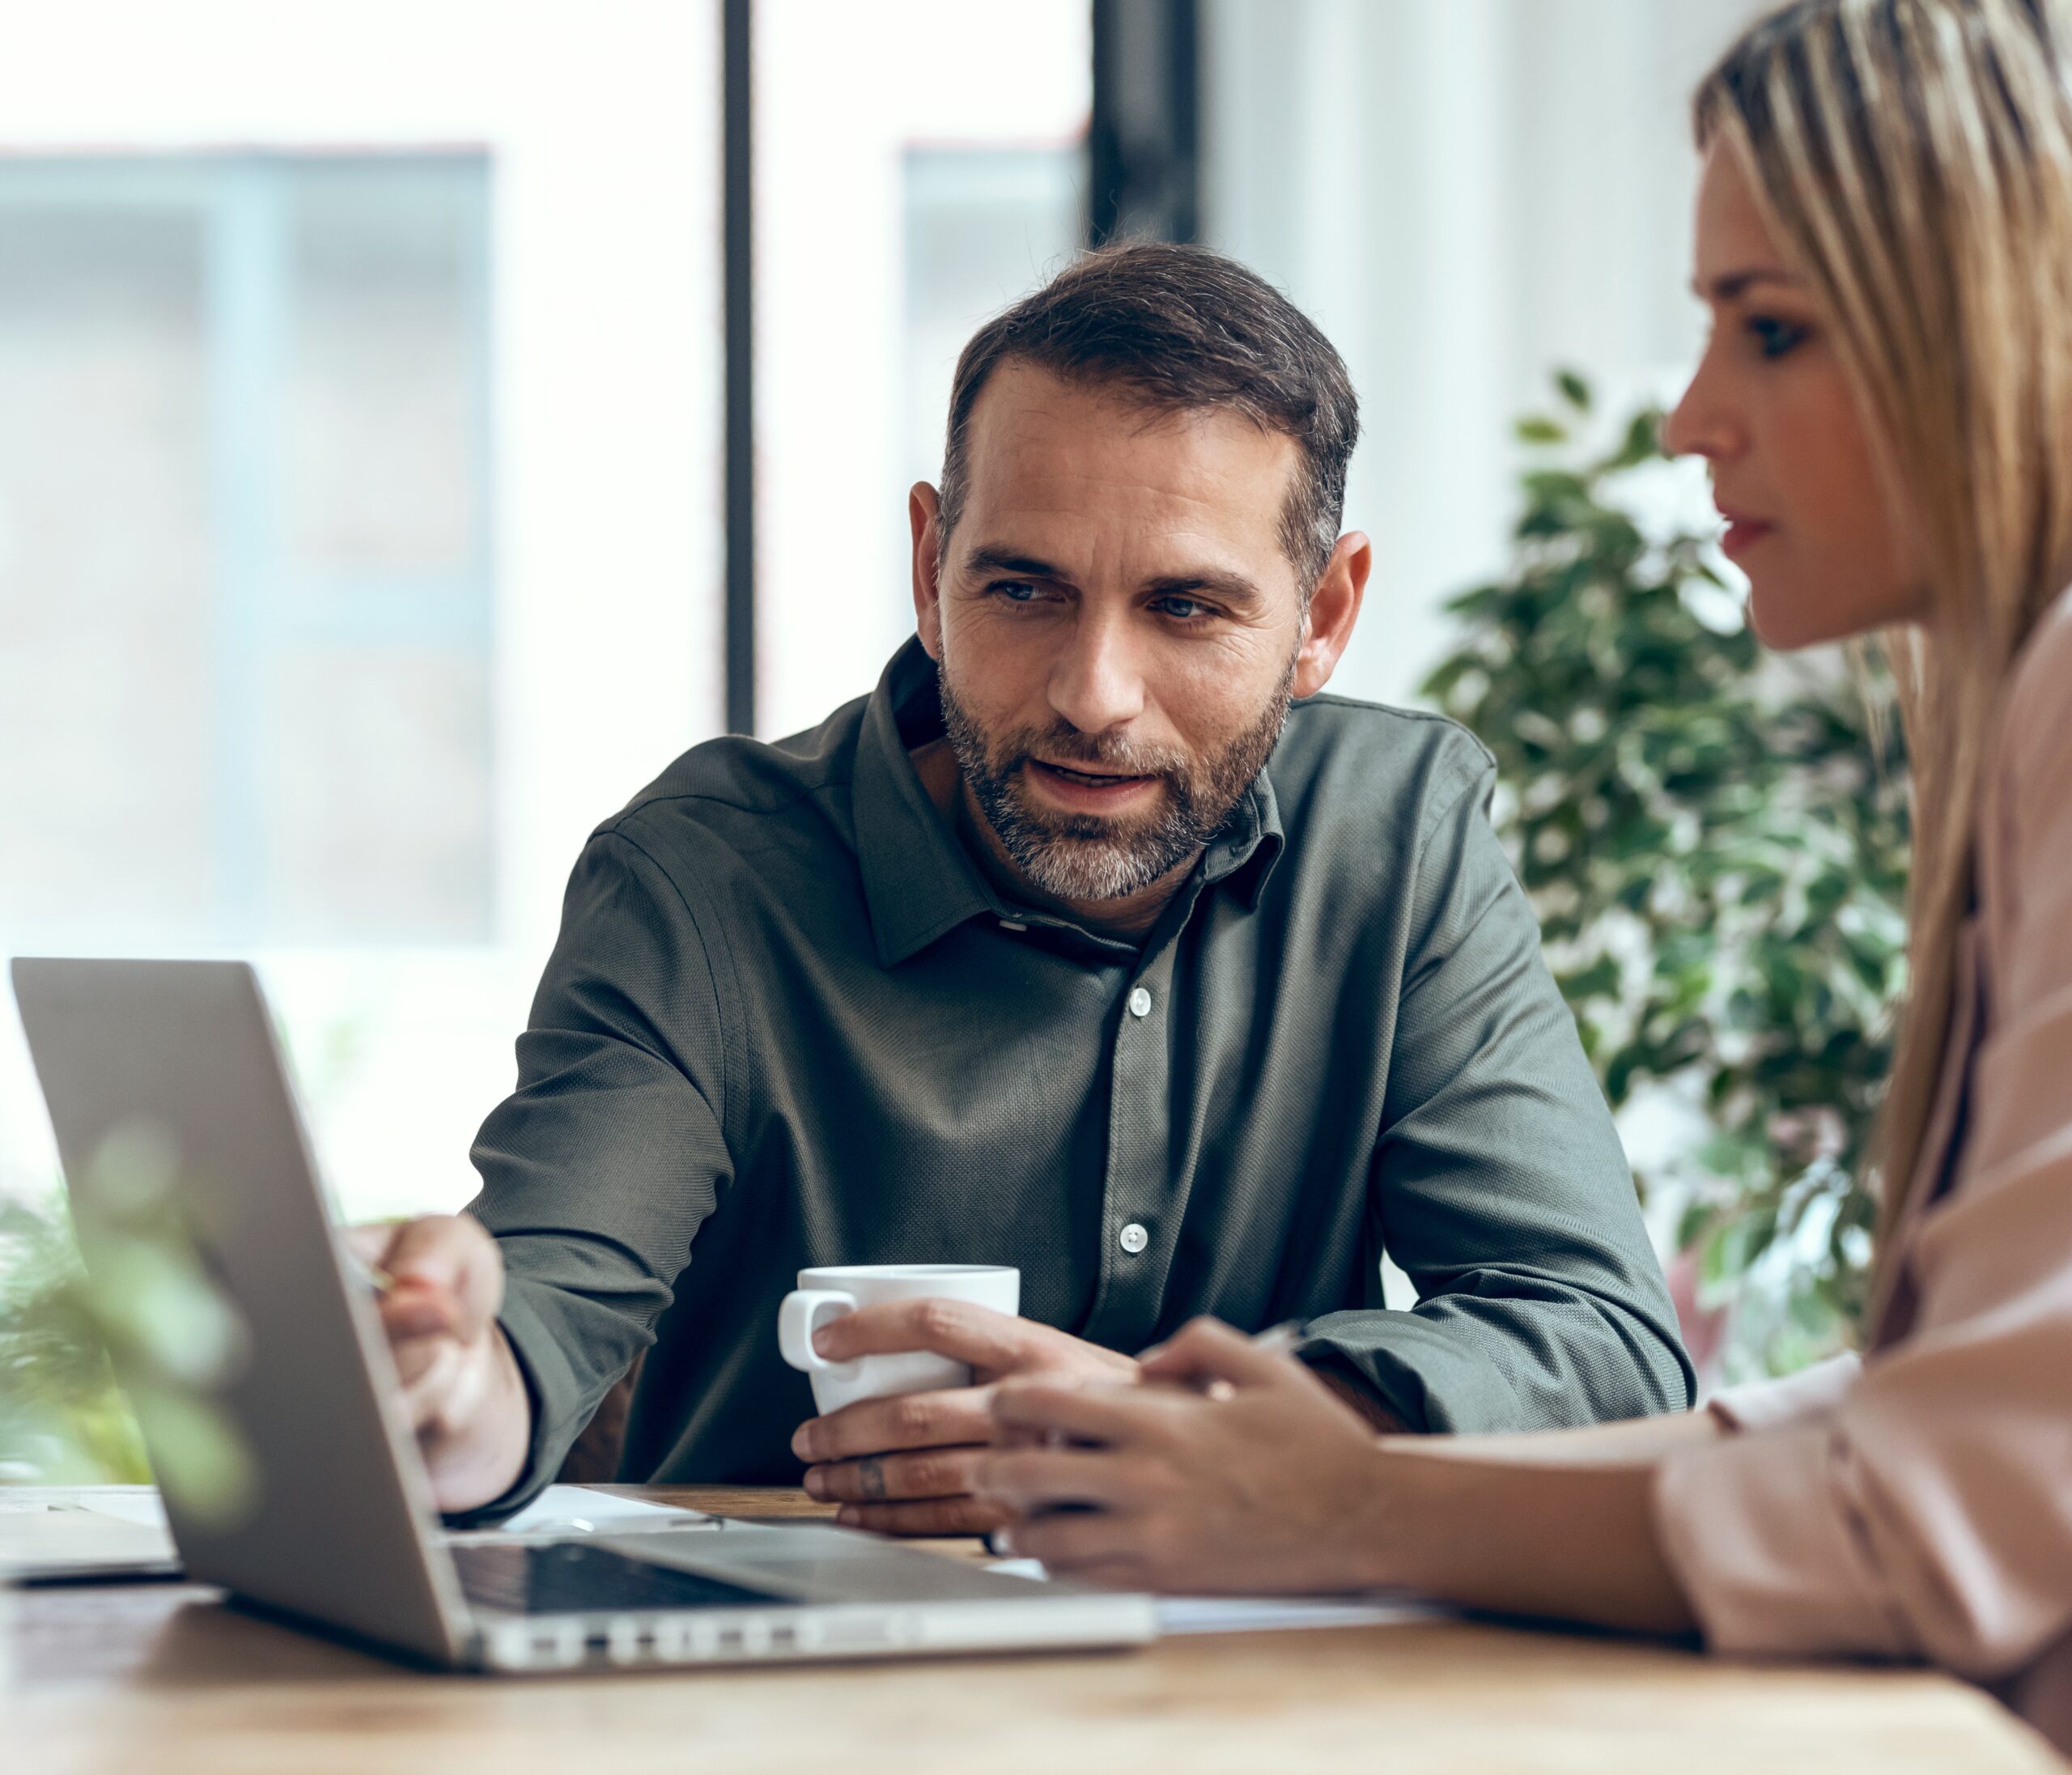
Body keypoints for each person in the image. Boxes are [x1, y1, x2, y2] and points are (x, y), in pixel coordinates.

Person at [972, 0, 2072, 1750]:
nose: (1689, 419)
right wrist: (1284, 1464)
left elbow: (1951, 1509)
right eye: (1022, 584)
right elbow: (1952, 1413)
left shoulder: (1405, 816)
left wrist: (1337, 1495)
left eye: (1769, 329)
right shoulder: (708, 848)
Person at [350, 244, 1693, 1533]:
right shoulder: (706, 877)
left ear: (1323, 618)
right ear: (932, 570)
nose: (1091, 696)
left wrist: (1191, 1426)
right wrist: (459, 1393)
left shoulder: (1400, 839)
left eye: (1187, 609)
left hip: (1267, 1697)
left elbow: (1605, 1340)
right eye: (1024, 588)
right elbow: (534, 1322)